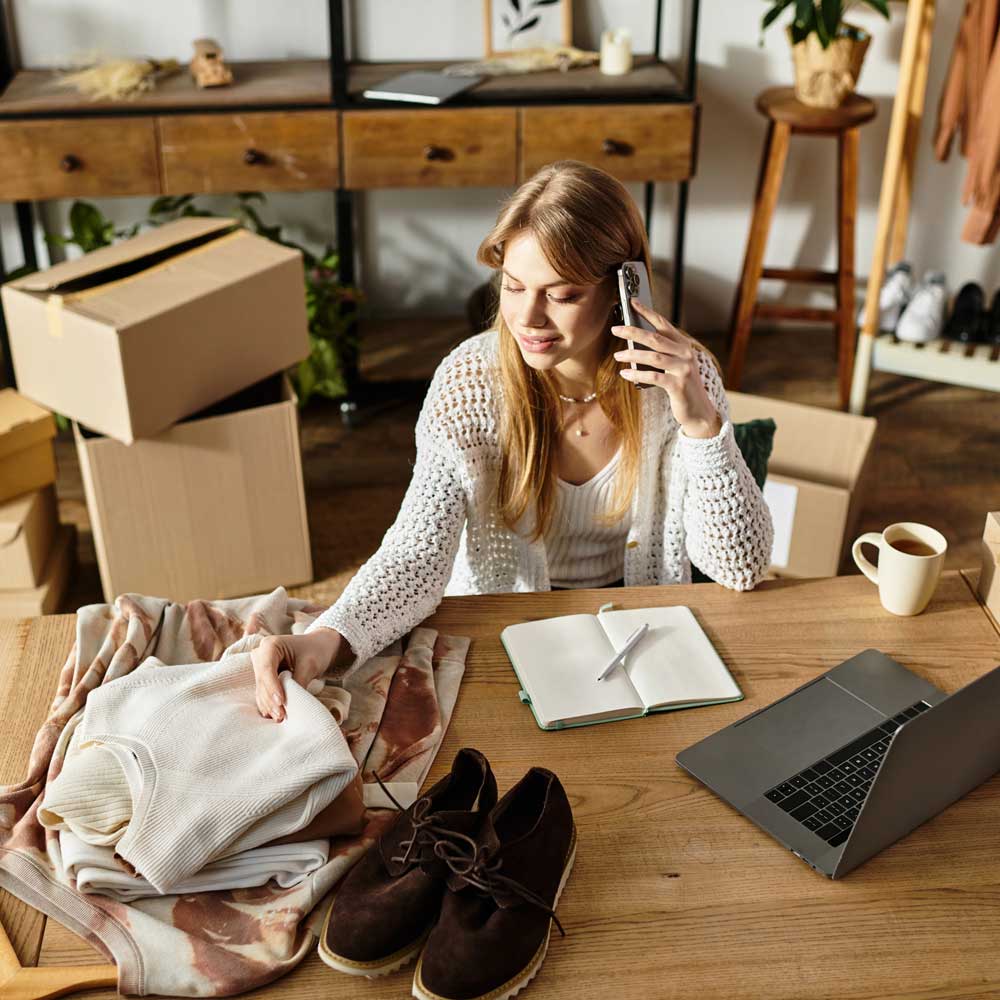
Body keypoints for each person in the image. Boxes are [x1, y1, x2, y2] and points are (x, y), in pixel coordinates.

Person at [252, 160, 773, 721]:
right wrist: (324, 638)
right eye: (514, 286)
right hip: (510, 629)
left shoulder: (681, 379)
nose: (529, 317)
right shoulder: (467, 382)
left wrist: (701, 424)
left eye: (563, 295)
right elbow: (415, 551)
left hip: (642, 630)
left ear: (625, 289)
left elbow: (740, 567)